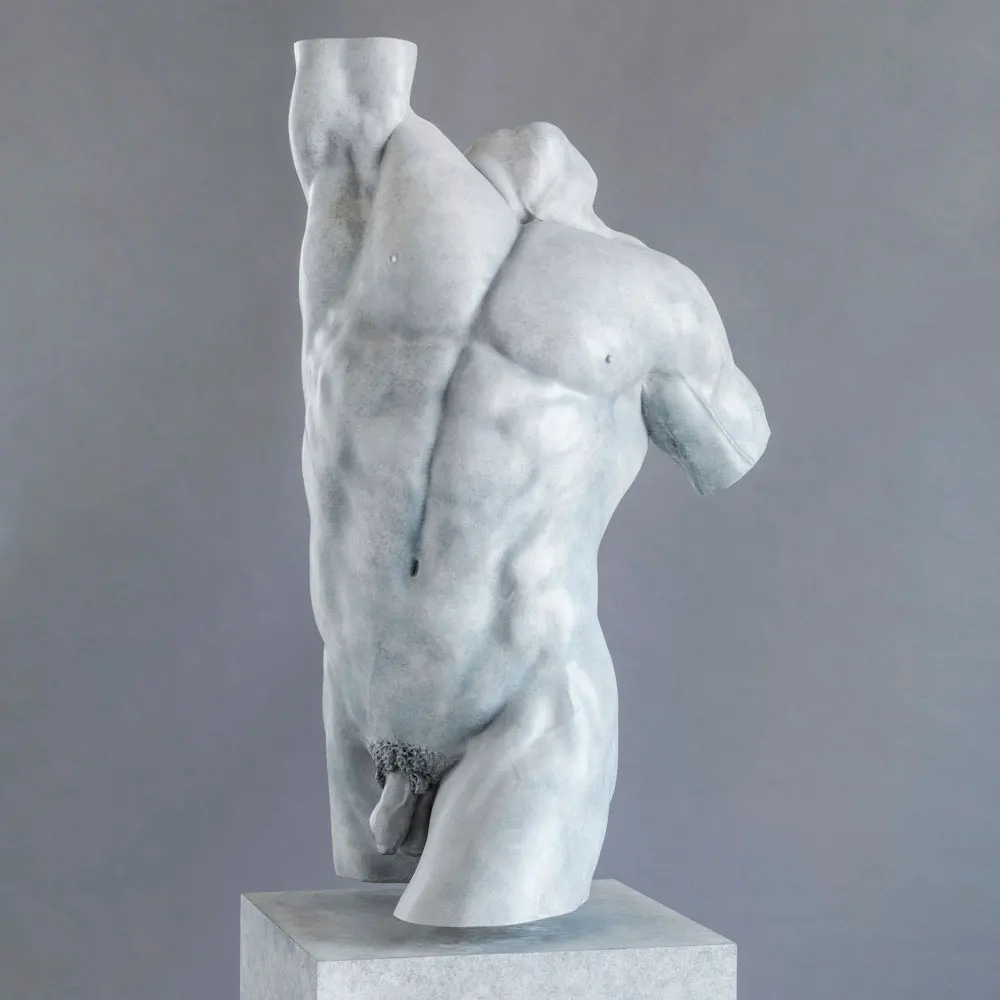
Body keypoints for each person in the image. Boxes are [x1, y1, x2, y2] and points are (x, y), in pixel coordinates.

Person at [289, 36, 769, 927]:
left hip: (527, 714)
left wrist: (619, 270)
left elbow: (732, 445)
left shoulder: (650, 295)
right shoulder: (370, 215)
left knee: (466, 963)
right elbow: (348, 81)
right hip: (359, 707)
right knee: (371, 958)